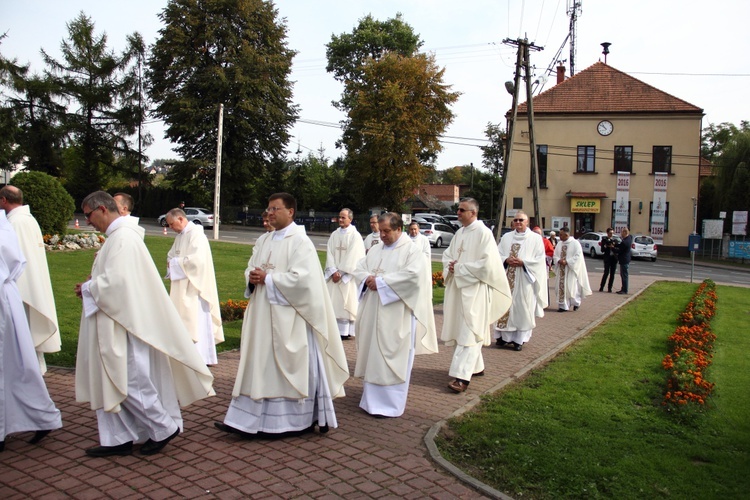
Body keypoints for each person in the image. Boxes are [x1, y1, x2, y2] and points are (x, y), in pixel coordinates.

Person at [75, 192, 215, 457]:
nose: (88, 221)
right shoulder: (119, 237)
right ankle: (118, 437)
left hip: (125, 323)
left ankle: (163, 427)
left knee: (128, 380)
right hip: (115, 317)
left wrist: (88, 288)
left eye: (88, 215)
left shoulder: (124, 238)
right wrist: (92, 284)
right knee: (115, 377)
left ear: (102, 209)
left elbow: (118, 284)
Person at [216, 193, 349, 438]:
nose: (270, 213)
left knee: (283, 366)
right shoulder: (264, 240)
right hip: (262, 315)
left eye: (275, 208)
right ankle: (246, 420)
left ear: (290, 212)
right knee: (259, 365)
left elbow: (306, 281)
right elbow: (251, 266)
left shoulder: (300, 242)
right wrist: (252, 277)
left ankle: (290, 422)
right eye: (268, 209)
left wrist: (269, 279)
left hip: (290, 318)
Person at [352, 213, 438, 417]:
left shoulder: (411, 252)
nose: (382, 235)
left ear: (399, 229)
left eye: (386, 231)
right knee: (373, 354)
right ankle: (370, 400)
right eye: (380, 231)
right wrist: (367, 279)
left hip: (396, 314)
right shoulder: (375, 249)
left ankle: (390, 405)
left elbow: (413, 278)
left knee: (392, 356)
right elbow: (359, 268)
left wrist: (380, 282)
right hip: (373, 310)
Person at [0, 209, 62, 453]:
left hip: (4, 298)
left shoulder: (7, 223)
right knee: (16, 365)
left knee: (14, 364)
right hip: (7, 295)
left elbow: (13, 260)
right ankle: (40, 417)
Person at [442, 198, 511, 393]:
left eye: (462, 210)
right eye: (458, 209)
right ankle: (476, 367)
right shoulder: (460, 233)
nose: (458, 213)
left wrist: (460, 268)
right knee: (463, 328)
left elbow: (488, 264)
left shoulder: (483, 233)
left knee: (470, 330)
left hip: (475, 291)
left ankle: (462, 377)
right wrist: (452, 266)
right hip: (459, 289)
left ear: (473, 213)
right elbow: (448, 255)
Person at [0, 185, 60, 373]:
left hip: (19, 285)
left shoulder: (15, 223)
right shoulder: (27, 219)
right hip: (29, 282)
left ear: (3, 200)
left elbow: (9, 257)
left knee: (22, 330)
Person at [165, 208, 224, 365]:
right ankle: (189, 355)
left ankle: (202, 357)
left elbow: (197, 261)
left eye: (172, 224)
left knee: (196, 320)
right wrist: (172, 262)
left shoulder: (196, 235)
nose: (170, 227)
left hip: (196, 288)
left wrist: (174, 263)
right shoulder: (181, 236)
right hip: (183, 284)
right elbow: (171, 255)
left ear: (181, 219)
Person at [495, 213, 549, 351]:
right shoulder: (507, 237)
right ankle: (503, 337)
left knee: (522, 308)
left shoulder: (536, 239)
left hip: (525, 279)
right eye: (516, 220)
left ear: (527, 222)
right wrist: (506, 260)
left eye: (521, 220)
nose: (518, 222)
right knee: (505, 305)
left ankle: (519, 340)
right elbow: (497, 254)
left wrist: (523, 262)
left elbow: (539, 259)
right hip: (507, 277)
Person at [324, 208, 366, 339]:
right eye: (339, 217)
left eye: (343, 217)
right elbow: (329, 252)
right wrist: (332, 271)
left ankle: (346, 331)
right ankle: (334, 329)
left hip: (347, 276)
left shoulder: (355, 236)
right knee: (333, 302)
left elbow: (355, 256)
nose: (340, 220)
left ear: (350, 219)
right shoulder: (334, 234)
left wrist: (341, 272)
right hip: (334, 275)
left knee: (347, 302)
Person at [407, 220, 438, 346]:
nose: (413, 231)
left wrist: (417, 259)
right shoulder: (406, 240)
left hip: (420, 272)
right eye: (411, 229)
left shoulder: (424, 240)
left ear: (418, 229)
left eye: (415, 229)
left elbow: (426, 255)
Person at [553, 226, 592, 312]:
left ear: (566, 235)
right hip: (561, 270)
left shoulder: (575, 243)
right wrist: (558, 260)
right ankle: (563, 306)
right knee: (560, 288)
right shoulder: (559, 244)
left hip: (571, 270)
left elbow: (578, 256)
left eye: (561, 235)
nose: (559, 237)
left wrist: (567, 261)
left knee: (572, 288)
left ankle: (576, 303)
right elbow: (555, 255)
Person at [599, 227, 618, 293]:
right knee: (606, 273)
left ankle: (610, 288)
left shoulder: (615, 240)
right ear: (607, 233)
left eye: (612, 233)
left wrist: (613, 247)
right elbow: (602, 250)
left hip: (614, 259)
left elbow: (617, 249)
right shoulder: (604, 240)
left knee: (612, 274)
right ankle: (601, 287)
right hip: (607, 258)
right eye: (610, 233)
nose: (611, 234)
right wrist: (606, 246)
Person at [615, 227, 633, 294]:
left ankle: (624, 290)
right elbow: (620, 245)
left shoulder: (625, 242)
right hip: (626, 259)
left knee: (624, 275)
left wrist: (612, 248)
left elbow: (620, 250)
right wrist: (616, 244)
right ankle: (623, 289)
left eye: (622, 232)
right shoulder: (629, 238)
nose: (621, 233)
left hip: (624, 260)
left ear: (625, 232)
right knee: (624, 275)